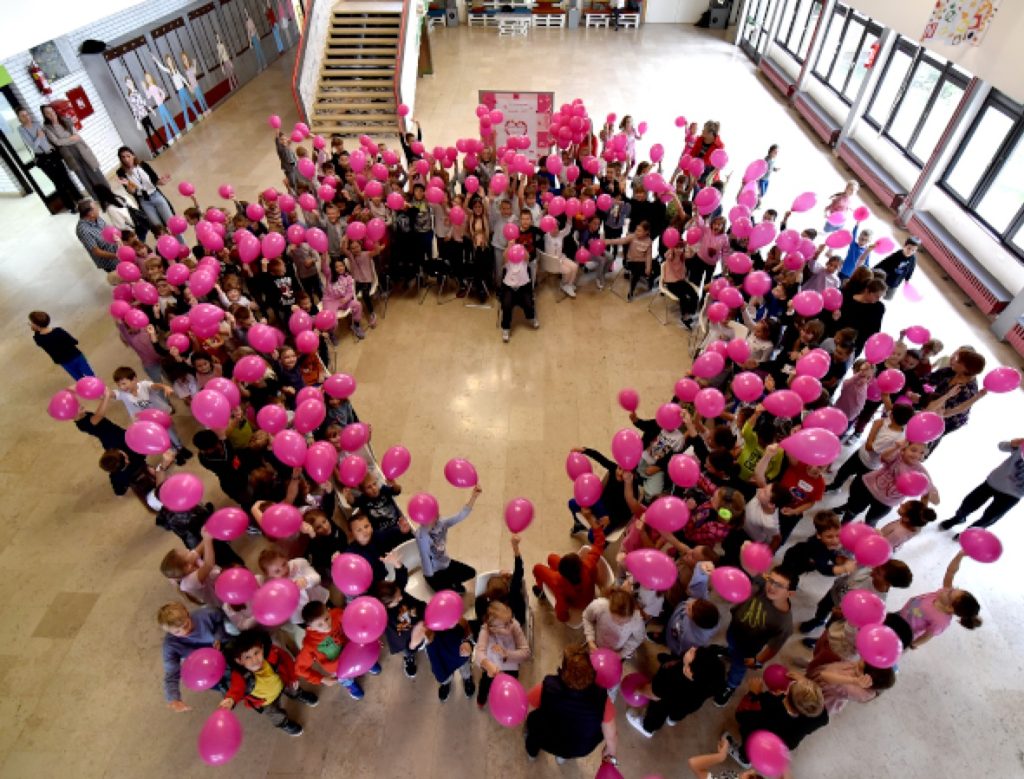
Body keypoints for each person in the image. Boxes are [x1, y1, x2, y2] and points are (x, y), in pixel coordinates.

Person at [715, 566, 798, 707]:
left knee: (738, 667)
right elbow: (752, 572)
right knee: (731, 645)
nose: (771, 587)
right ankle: (730, 652)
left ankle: (731, 685)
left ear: (790, 593)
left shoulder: (784, 623)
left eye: (779, 585)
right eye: (771, 580)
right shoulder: (764, 586)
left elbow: (772, 648)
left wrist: (758, 661)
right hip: (734, 631)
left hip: (747, 648)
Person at [524, 645, 618, 765]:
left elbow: (527, 710)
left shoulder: (547, 687)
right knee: (574, 743)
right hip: (580, 747)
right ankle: (562, 757)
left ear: (564, 670)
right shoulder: (603, 699)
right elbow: (612, 735)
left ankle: (532, 753)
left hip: (547, 739)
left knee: (533, 728)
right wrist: (611, 752)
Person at [219, 629, 318, 736]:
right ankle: (284, 723)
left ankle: (298, 694)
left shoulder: (272, 653)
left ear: (262, 649)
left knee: (294, 688)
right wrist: (230, 699)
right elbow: (236, 688)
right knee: (275, 714)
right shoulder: (239, 675)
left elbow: (287, 660)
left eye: (256, 653)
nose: (254, 659)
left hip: (283, 683)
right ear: (239, 661)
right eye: (247, 657)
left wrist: (293, 677)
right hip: (266, 702)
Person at [725, 677, 829, 768]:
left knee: (750, 739)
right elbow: (823, 716)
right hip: (782, 744)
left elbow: (741, 715)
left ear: (787, 694)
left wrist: (754, 693)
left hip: (761, 736)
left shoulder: (770, 702)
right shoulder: (820, 716)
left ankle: (744, 758)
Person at [627, 646, 727, 739]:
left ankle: (647, 728)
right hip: (691, 702)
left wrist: (639, 690)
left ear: (688, 671)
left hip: (670, 698)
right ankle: (672, 719)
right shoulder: (715, 673)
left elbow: (654, 693)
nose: (692, 648)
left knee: (658, 709)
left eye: (691, 652)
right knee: (680, 711)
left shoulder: (671, 678)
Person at [798, 559, 913, 638]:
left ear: (888, 583)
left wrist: (843, 615)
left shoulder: (876, 601)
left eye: (878, 572)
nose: (873, 569)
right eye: (878, 566)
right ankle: (818, 620)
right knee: (822, 608)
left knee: (831, 628)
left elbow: (858, 618)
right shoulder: (870, 568)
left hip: (841, 613)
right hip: (834, 593)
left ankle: (821, 638)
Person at [837, 441, 938, 527]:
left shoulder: (920, 471)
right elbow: (884, 457)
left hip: (886, 502)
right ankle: (843, 525)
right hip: (870, 488)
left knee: (871, 520)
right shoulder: (898, 456)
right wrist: (896, 447)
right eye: (913, 450)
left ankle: (865, 533)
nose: (917, 455)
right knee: (853, 510)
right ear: (904, 449)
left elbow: (932, 493)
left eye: (922, 453)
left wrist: (931, 495)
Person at [532, 508, 607, 623]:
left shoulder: (559, 582)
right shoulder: (587, 565)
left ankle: (540, 588)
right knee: (551, 558)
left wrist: (564, 617)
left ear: (562, 573)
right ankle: (541, 587)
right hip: (588, 594)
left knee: (537, 568)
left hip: (576, 602)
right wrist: (591, 520)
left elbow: (561, 610)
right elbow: (599, 543)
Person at [295, 602, 381, 700]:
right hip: (339, 667)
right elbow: (300, 669)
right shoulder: (310, 644)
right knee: (346, 679)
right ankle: (350, 685)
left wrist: (370, 638)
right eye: (320, 625)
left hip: (355, 650)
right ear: (310, 628)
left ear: (328, 610)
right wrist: (322, 679)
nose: (326, 625)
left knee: (365, 657)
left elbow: (355, 624)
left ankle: (368, 665)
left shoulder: (337, 613)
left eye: (327, 618)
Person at [939, 438, 1024, 536]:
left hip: (1013, 494)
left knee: (989, 517)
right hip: (994, 481)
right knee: (968, 504)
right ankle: (958, 518)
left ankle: (970, 533)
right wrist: (1013, 443)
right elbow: (1001, 446)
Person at [897, 551, 982, 649]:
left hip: (905, 633)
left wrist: (912, 644)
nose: (948, 589)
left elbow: (927, 636)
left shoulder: (941, 621)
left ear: (949, 608)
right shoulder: (945, 595)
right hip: (902, 614)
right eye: (955, 588)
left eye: (950, 593)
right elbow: (950, 572)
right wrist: (960, 556)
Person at [158, 602, 229, 712]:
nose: (185, 632)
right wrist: (174, 698)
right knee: (210, 680)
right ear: (169, 632)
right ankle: (226, 687)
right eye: (177, 632)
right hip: (205, 666)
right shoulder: (170, 646)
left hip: (225, 649)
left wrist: (218, 636)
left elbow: (221, 618)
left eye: (186, 625)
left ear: (188, 613)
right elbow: (171, 673)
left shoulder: (205, 615)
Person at [415, 485, 481, 592]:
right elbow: (425, 558)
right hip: (434, 572)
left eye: (435, 511)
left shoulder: (441, 523)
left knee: (471, 573)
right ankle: (449, 585)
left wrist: (474, 497)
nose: (437, 514)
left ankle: (451, 583)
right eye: (433, 514)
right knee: (446, 591)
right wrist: (430, 577)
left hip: (446, 563)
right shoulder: (421, 536)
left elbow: (460, 516)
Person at [15, 107, 80, 210]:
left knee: (66, 178)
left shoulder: (36, 124)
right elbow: (33, 146)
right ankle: (70, 206)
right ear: (19, 118)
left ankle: (79, 199)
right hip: (43, 158)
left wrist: (49, 144)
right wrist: (39, 137)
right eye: (23, 116)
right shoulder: (22, 130)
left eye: (27, 114)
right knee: (58, 183)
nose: (26, 117)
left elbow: (46, 139)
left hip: (52, 153)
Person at [40, 105, 106, 198]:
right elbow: (57, 142)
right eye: (48, 113)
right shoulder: (47, 128)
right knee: (82, 176)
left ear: (55, 111)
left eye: (52, 111)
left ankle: (107, 192)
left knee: (93, 170)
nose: (51, 114)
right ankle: (96, 197)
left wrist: (66, 140)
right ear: (45, 116)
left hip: (80, 148)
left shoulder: (66, 120)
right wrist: (71, 138)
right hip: (68, 154)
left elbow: (76, 136)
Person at [473, 601, 530, 707]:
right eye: (504, 625)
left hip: (511, 667)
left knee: (510, 685)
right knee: (485, 683)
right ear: (491, 627)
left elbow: (526, 653)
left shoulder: (514, 624)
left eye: (509, 621)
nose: (509, 625)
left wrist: (506, 653)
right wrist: (487, 664)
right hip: (492, 668)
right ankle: (481, 698)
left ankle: (506, 698)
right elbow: (478, 653)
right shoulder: (485, 629)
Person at [115, 147, 174, 228]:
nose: (126, 159)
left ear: (133, 155)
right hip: (144, 201)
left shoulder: (143, 165)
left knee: (171, 222)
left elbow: (155, 181)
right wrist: (129, 184)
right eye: (123, 157)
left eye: (128, 156)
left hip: (155, 195)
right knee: (158, 227)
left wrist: (162, 181)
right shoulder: (121, 172)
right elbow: (132, 192)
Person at [583, 587, 646, 662]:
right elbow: (587, 618)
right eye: (616, 620)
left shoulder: (637, 621)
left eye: (625, 622)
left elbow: (637, 639)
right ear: (610, 609)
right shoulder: (599, 606)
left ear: (632, 612)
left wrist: (622, 654)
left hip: (617, 651)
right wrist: (590, 640)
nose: (620, 625)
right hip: (598, 644)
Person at [28, 311, 93, 379]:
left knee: (78, 377)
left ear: (36, 325)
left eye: (31, 322)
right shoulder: (58, 330)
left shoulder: (38, 338)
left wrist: (36, 331)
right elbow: (74, 341)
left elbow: (39, 343)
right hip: (76, 356)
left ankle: (82, 385)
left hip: (64, 362)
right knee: (90, 374)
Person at [499, 243, 538, 344]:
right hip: (509, 288)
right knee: (506, 305)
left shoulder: (524, 262)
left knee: (528, 303)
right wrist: (509, 246)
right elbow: (504, 256)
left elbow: (527, 256)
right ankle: (506, 328)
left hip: (523, 288)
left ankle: (531, 317)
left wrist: (522, 248)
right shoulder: (508, 262)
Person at [689, 736, 775, 779]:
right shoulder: (734, 776)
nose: (752, 770)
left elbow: (694, 763)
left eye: (751, 775)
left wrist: (721, 756)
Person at [75, 200, 119, 273]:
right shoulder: (83, 230)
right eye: (96, 208)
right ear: (90, 213)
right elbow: (97, 252)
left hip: (116, 251)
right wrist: (117, 255)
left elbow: (108, 229)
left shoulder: (97, 218)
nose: (99, 209)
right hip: (110, 262)